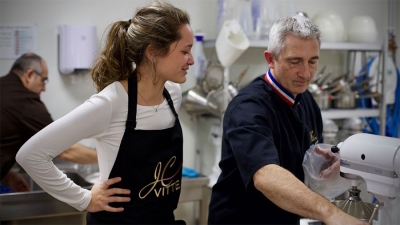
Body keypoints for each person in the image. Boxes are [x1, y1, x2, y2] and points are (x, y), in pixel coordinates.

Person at [16, 1, 194, 224]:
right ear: (153, 52)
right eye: (185, 51)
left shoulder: (173, 95)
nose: (192, 60)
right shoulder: (111, 102)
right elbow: (31, 155)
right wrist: (84, 199)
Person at [208, 14, 367, 225]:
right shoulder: (249, 107)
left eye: (312, 62)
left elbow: (304, 166)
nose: (306, 73)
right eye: (295, 61)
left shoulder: (307, 100)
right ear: (270, 59)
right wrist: (331, 213)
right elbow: (266, 176)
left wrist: (327, 166)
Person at [0, 53, 98, 193]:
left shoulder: (4, 88)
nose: (44, 88)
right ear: (29, 75)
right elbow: (65, 150)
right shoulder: (25, 103)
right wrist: (105, 157)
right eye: (44, 80)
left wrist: (8, 175)